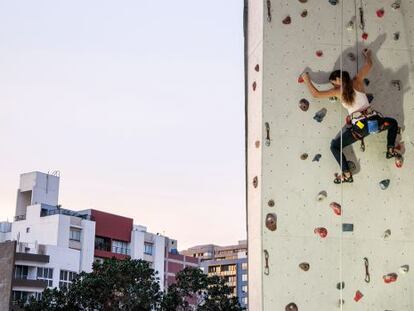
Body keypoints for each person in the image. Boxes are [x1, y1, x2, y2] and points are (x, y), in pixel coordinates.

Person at [302, 48, 400, 184]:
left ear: (338, 79)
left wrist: (306, 79)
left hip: (359, 130)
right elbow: (369, 65)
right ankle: (390, 149)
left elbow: (316, 94)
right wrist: (368, 56)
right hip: (375, 123)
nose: (333, 85)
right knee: (393, 123)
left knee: (335, 147)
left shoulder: (338, 91)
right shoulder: (357, 80)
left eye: (333, 82)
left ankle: (347, 174)